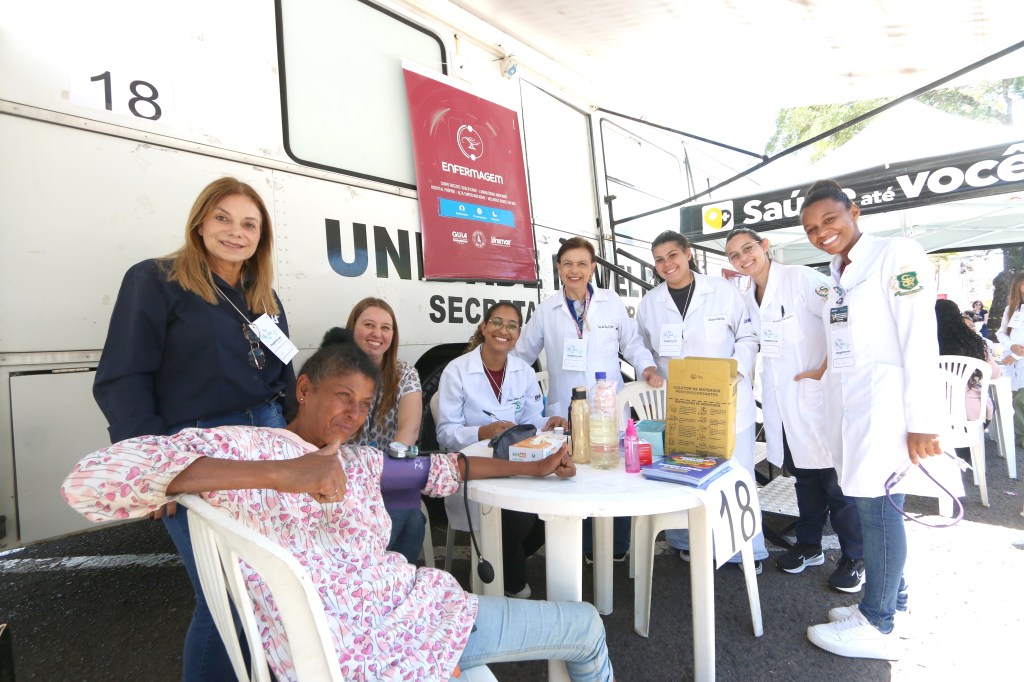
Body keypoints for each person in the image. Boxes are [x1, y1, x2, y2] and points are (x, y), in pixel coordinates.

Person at [64, 330, 613, 682]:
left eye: (365, 404)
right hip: (358, 651)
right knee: (587, 626)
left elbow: (448, 470)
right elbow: (89, 481)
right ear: (304, 390)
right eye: (342, 396)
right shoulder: (247, 445)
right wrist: (284, 474)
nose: (354, 414)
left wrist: (534, 467)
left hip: (418, 618)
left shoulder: (360, 462)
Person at [92, 177, 295, 681]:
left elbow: (282, 377)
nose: (235, 232)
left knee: (270, 585)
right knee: (225, 595)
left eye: (249, 224)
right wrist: (153, 468)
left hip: (268, 445)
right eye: (223, 218)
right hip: (199, 455)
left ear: (262, 237)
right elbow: (124, 376)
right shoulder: (156, 280)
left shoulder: (263, 294)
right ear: (200, 222)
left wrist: (302, 445)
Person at [800, 179, 953, 661]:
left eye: (829, 219)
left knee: (880, 512)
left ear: (855, 212)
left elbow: (918, 337)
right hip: (853, 408)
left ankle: (878, 620)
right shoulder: (838, 273)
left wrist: (924, 420)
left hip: (887, 410)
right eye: (811, 229)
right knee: (871, 506)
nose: (822, 232)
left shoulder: (895, 255)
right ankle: (893, 601)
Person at [724, 227, 863, 589]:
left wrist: (825, 367)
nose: (743, 259)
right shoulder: (748, 296)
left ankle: (855, 556)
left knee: (836, 482)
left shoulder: (800, 278)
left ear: (764, 246)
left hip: (818, 397)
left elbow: (843, 315)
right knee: (804, 478)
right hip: (783, 404)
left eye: (748, 249)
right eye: (734, 255)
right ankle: (809, 544)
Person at [513, 237, 660, 562]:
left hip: (609, 404)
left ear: (592, 267)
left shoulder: (611, 302)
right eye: (567, 264)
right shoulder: (547, 310)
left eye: (581, 263)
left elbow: (632, 342)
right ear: (558, 268)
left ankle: (617, 544)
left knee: (614, 473)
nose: (574, 270)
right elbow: (523, 354)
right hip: (566, 408)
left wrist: (647, 367)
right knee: (573, 473)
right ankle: (583, 545)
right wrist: (497, 373)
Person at [635, 230, 767, 573]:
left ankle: (744, 549)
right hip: (679, 402)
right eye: (659, 260)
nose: (667, 264)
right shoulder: (651, 303)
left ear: (688, 253)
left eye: (673, 255)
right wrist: (647, 367)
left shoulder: (722, 291)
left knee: (734, 474)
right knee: (685, 471)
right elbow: (642, 345)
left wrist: (735, 369)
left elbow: (748, 335)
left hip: (725, 398)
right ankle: (687, 542)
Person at [437, 302, 567, 598]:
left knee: (551, 510)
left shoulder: (524, 371)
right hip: (474, 465)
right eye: (496, 322)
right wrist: (481, 432)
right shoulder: (457, 371)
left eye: (512, 326)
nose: (503, 330)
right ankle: (512, 583)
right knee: (519, 516)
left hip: (516, 460)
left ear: (518, 334)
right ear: (484, 328)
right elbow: (445, 432)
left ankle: (503, 561)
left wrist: (550, 422)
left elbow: (531, 421)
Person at [346, 297, 425, 562]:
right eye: (369, 325)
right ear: (352, 328)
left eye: (385, 328)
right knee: (409, 520)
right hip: (346, 475)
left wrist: (384, 476)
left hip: (390, 471)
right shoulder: (334, 371)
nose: (377, 334)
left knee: (413, 520)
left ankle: (377, 572)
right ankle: (375, 571)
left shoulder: (405, 373)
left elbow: (409, 429)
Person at [937, 298, 1001, 462]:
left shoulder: (923, 345)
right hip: (969, 410)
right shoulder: (974, 343)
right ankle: (966, 450)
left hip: (933, 409)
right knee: (989, 404)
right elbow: (994, 374)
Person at [995, 271, 1024, 448]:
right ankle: (1021, 435)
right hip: (1014, 364)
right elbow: (1001, 333)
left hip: (1016, 360)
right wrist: (1011, 346)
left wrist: (1015, 355)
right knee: (1018, 399)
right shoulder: (1011, 309)